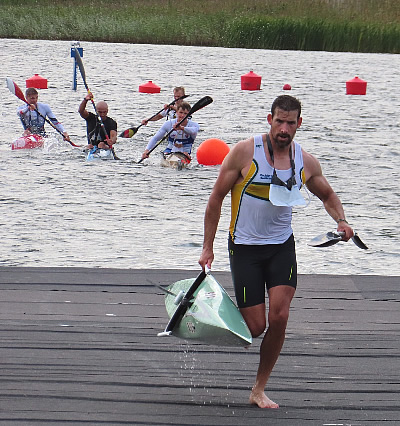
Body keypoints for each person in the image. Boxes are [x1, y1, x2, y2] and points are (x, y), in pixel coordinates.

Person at [198, 95, 354, 409]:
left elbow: (327, 194)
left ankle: (259, 389)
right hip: (244, 248)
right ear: (270, 120)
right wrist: (207, 246)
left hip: (281, 247)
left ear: (299, 124)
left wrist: (341, 220)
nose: (284, 129)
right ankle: (209, 310)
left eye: (290, 123)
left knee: (280, 316)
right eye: (279, 121)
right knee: (256, 327)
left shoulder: (305, 161)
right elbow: (216, 198)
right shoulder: (244, 152)